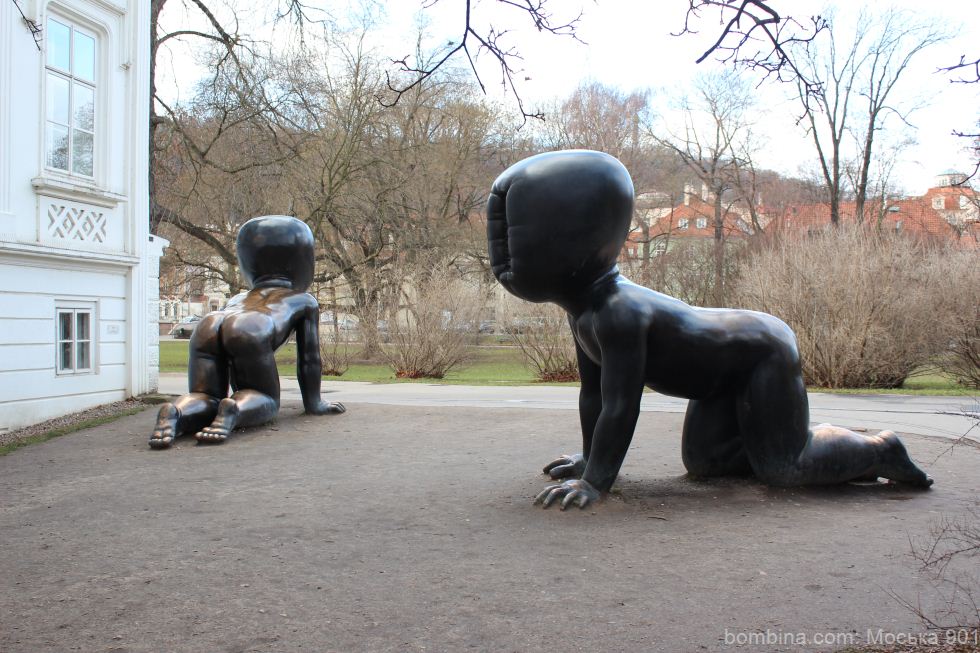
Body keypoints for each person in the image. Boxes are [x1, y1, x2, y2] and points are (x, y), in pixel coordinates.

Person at [486, 150, 932, 509]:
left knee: (785, 469)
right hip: (716, 379)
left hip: (761, 351)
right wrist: (589, 460)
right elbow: (595, 395)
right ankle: (792, 447)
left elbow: (622, 407)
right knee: (707, 464)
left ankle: (879, 449)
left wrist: (595, 482)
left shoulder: (618, 313)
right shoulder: (584, 312)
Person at [149, 215, 345, 449]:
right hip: (251, 327)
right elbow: (309, 359)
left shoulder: (237, 298)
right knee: (265, 398)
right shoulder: (303, 300)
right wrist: (315, 403)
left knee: (205, 395)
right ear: (303, 262)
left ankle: (177, 412)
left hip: (209, 324)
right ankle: (235, 409)